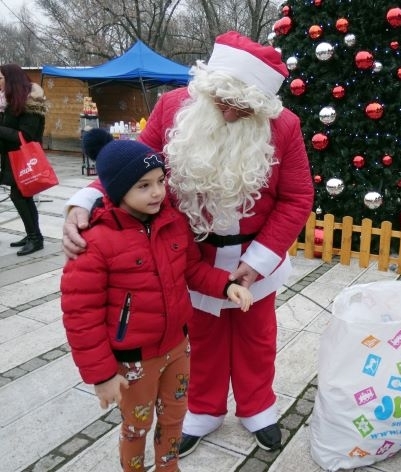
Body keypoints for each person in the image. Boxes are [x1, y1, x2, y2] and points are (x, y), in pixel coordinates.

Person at [62, 31, 314, 454]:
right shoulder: (172, 108)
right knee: (200, 337)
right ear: (208, 90)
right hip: (190, 253)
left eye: (244, 108)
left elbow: (297, 196)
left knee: (258, 336)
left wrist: (259, 259)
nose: (232, 116)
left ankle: (257, 408)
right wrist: (84, 201)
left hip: (258, 255)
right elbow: (126, 170)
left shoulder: (284, 126)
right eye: (224, 103)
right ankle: (203, 409)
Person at [61, 130, 254, 472]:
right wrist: (102, 375)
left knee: (174, 418)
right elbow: (80, 316)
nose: (157, 192)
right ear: (118, 189)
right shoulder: (95, 242)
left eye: (160, 181)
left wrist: (226, 286)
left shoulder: (172, 223)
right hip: (135, 360)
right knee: (137, 426)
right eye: (143, 186)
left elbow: (191, 268)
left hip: (178, 347)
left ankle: (169, 467)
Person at [0, 64, 47, 256]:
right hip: (11, 158)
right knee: (22, 196)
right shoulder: (10, 102)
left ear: (11, 80)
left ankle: (36, 238)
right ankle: (33, 235)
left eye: (1, 78)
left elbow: (26, 136)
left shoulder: (31, 103)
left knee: (20, 196)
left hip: (24, 159)